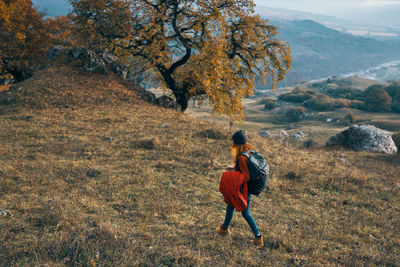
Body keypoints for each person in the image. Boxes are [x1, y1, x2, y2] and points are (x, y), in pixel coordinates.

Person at [217, 130, 264, 246]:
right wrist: (233, 168)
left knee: (245, 213)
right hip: (242, 187)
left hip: (244, 189)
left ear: (237, 144)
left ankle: (258, 237)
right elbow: (244, 169)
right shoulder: (249, 150)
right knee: (230, 206)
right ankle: (224, 228)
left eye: (234, 143)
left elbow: (246, 176)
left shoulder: (241, 158)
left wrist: (232, 176)